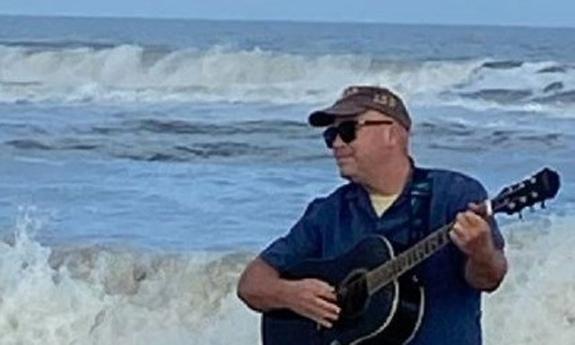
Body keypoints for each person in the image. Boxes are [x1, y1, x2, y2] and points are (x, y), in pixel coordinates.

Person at [237, 85, 508, 345]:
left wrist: (480, 250)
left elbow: (489, 279)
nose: (337, 144)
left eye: (348, 130)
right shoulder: (329, 213)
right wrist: (291, 295)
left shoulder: (453, 195)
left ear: (391, 133)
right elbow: (252, 283)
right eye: (330, 136)